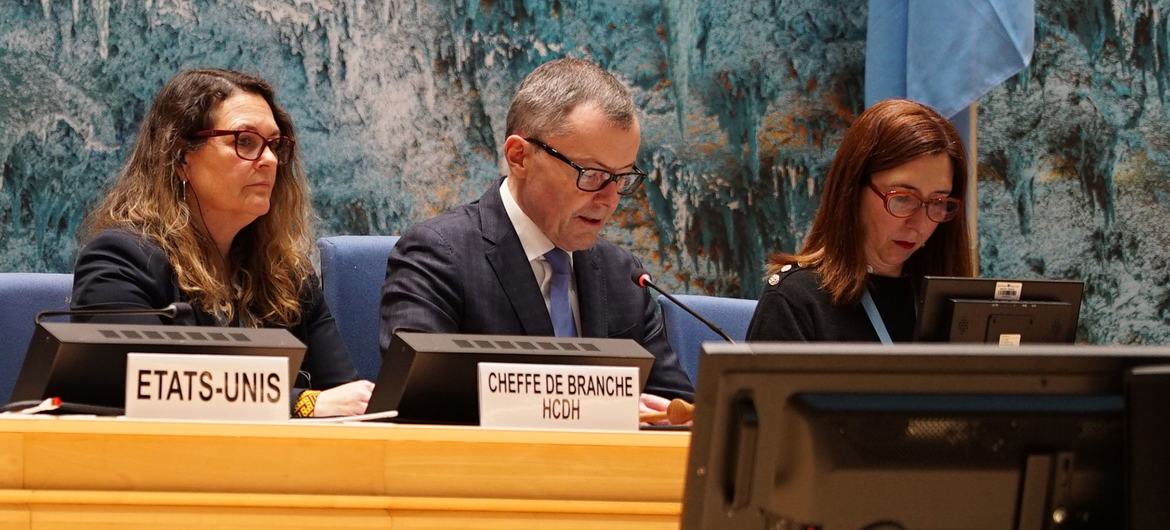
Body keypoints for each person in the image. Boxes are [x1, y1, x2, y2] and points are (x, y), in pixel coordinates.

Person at [380, 57, 694, 408]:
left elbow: (677, 407)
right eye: (591, 174)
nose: (610, 198)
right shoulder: (438, 255)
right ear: (519, 157)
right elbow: (416, 398)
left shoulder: (623, 275)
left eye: (622, 177)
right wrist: (597, 407)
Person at [72, 68, 373, 417]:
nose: (270, 160)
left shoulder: (287, 275)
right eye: (244, 141)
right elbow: (143, 390)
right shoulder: (121, 261)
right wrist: (301, 403)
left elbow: (344, 398)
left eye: (275, 145)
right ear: (181, 156)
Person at [746, 98, 974, 342]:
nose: (919, 224)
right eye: (903, 198)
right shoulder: (796, 300)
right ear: (853, 191)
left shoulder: (957, 308)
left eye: (938, 202)